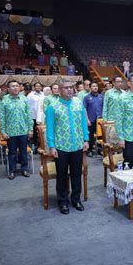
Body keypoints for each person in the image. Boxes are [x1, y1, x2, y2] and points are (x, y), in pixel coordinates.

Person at [46, 81, 89, 215]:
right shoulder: (52, 106)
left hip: (77, 145)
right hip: (61, 147)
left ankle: (76, 199)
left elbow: (83, 123)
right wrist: (52, 146)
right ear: (59, 90)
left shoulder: (78, 103)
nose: (70, 90)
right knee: (62, 175)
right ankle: (63, 201)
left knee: (76, 174)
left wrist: (86, 139)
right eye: (66, 88)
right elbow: (50, 128)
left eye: (71, 87)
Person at [0, 80, 33, 179]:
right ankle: (12, 171)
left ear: (20, 87)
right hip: (11, 132)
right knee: (12, 152)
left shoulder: (24, 99)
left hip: (23, 130)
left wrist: (30, 129)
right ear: (8, 89)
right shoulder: (4, 100)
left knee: (23, 151)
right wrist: (3, 131)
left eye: (17, 86)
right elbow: (2, 117)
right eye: (12, 86)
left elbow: (29, 115)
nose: (15, 88)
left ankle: (24, 169)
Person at [83, 82, 104, 157]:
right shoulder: (87, 97)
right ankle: (90, 150)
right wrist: (87, 119)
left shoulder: (101, 96)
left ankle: (99, 150)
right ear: (90, 88)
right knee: (90, 136)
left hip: (100, 120)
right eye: (93, 86)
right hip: (91, 120)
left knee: (100, 136)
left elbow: (104, 108)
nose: (95, 87)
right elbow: (84, 109)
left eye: (96, 86)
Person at [27, 83, 44, 153]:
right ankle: (34, 146)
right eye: (37, 86)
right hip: (33, 116)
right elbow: (27, 105)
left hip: (41, 116)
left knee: (41, 132)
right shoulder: (30, 95)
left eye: (40, 86)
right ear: (34, 87)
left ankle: (41, 145)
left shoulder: (43, 94)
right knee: (34, 132)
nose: (38, 87)